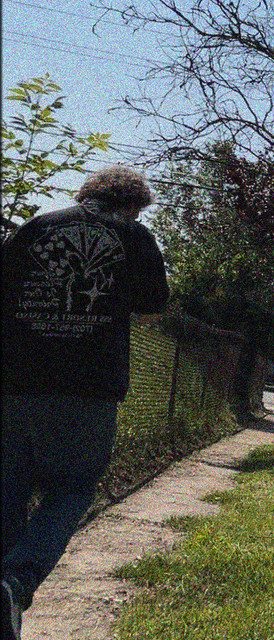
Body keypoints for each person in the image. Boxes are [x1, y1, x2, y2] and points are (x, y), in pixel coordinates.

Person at [1, 165, 170, 640]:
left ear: (87, 193)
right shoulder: (134, 237)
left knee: (8, 494)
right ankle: (16, 583)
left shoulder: (36, 227)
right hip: (87, 389)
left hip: (15, 384)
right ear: (133, 205)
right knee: (72, 488)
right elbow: (153, 306)